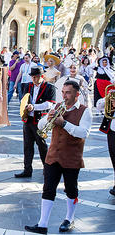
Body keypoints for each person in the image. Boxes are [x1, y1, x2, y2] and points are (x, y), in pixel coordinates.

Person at [25, 80, 92, 234]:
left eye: (68, 92)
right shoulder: (57, 107)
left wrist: (63, 123)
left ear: (76, 94)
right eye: (63, 92)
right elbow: (41, 126)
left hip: (72, 156)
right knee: (48, 188)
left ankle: (69, 218)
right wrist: (46, 119)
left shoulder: (85, 111)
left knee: (71, 189)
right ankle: (42, 224)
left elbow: (83, 133)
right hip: (53, 154)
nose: (64, 95)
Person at [14, 66, 56, 178]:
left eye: (35, 77)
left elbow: (49, 104)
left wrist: (34, 107)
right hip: (28, 120)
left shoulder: (49, 87)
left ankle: (47, 168)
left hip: (40, 121)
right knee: (27, 146)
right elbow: (24, 100)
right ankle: (27, 170)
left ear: (41, 76)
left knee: (42, 146)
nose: (33, 79)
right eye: (32, 77)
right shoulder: (28, 86)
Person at [96, 86, 115, 196]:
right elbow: (98, 106)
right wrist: (107, 98)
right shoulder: (112, 94)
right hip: (112, 131)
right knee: (113, 158)